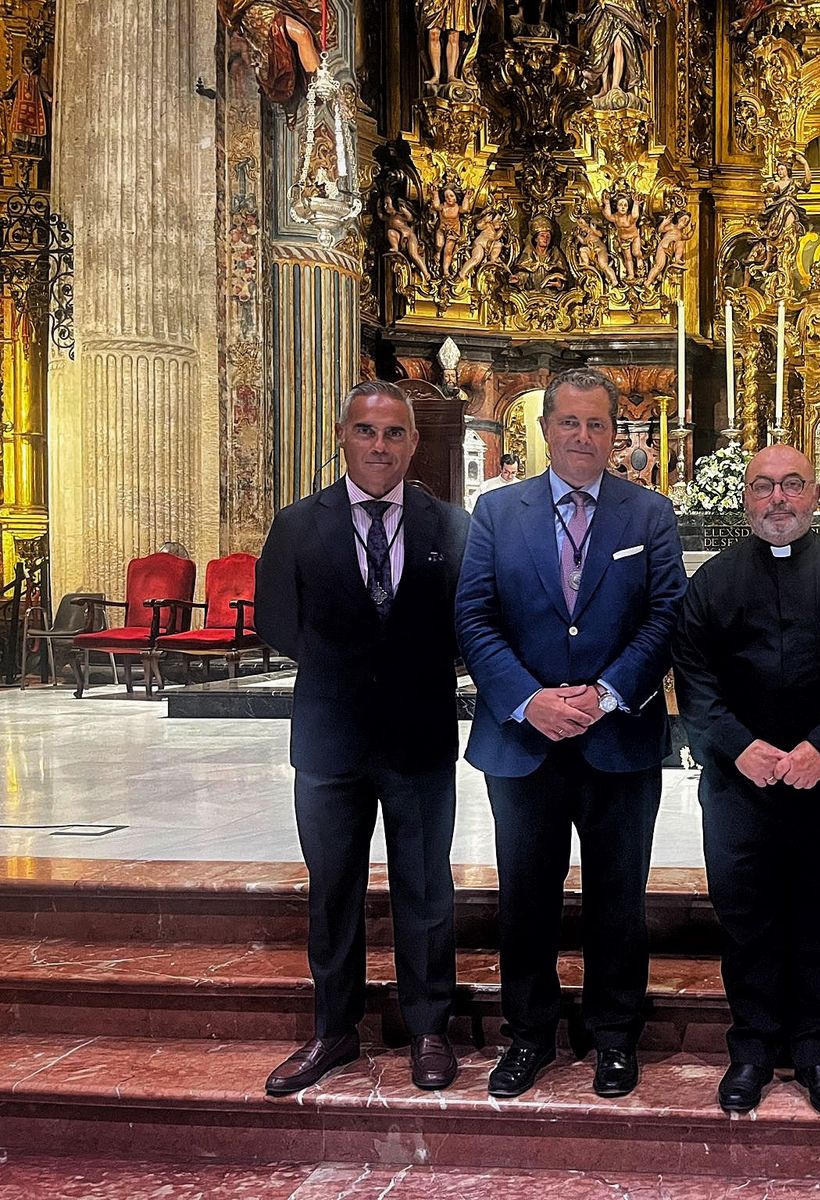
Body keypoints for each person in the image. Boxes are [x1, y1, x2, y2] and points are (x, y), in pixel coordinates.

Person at [455, 367, 687, 1101]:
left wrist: (607, 693)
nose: (583, 436)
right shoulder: (498, 511)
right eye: (569, 422)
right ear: (544, 428)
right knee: (527, 897)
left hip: (618, 742)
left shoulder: (649, 513)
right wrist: (529, 700)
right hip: (524, 744)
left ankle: (615, 1036)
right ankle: (528, 1035)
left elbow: (666, 614)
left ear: (615, 434)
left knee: (619, 898)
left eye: (597, 424)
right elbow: (474, 615)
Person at [255, 381, 470, 1097]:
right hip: (330, 737)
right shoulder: (297, 524)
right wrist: (349, 669)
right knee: (333, 889)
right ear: (343, 437)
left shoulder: (451, 526)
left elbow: (466, 622)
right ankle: (334, 1028)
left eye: (394, 433)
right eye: (367, 431)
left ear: (413, 442)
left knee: (426, 887)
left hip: (420, 736)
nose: (380, 446)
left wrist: (403, 669)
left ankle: (429, 1027)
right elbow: (277, 620)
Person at [673, 446, 820, 1118]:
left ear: (815, 493)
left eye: (792, 484)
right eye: (763, 486)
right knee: (747, 919)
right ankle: (753, 1049)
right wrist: (739, 747)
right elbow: (693, 676)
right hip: (741, 786)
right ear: (746, 498)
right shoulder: (713, 581)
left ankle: (818, 1050)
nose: (778, 499)